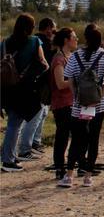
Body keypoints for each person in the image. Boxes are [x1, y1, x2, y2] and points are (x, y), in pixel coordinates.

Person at [58, 25, 104, 188]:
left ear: (86, 39)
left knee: (77, 139)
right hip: (100, 105)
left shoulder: (75, 56)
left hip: (79, 105)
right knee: (93, 139)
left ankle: (69, 176)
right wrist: (98, 98)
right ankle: (88, 176)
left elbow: (71, 81)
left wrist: (78, 98)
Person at [1, 14, 48, 172]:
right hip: (24, 88)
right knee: (15, 124)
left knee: (13, 123)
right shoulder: (34, 41)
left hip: (7, 87)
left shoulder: (5, 43)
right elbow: (44, 64)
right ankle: (8, 160)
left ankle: (10, 155)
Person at [18, 18, 56, 160]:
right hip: (38, 84)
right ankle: (26, 148)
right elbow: (45, 63)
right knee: (35, 116)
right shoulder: (40, 42)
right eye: (53, 28)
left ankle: (32, 144)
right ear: (48, 28)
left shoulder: (27, 41)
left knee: (40, 114)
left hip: (28, 83)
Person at [48, 27, 76, 179]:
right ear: (66, 40)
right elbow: (60, 83)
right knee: (62, 136)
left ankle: (73, 164)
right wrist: (76, 80)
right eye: (74, 37)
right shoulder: (59, 59)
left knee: (75, 135)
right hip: (61, 103)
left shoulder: (71, 56)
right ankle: (59, 167)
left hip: (72, 101)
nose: (76, 40)